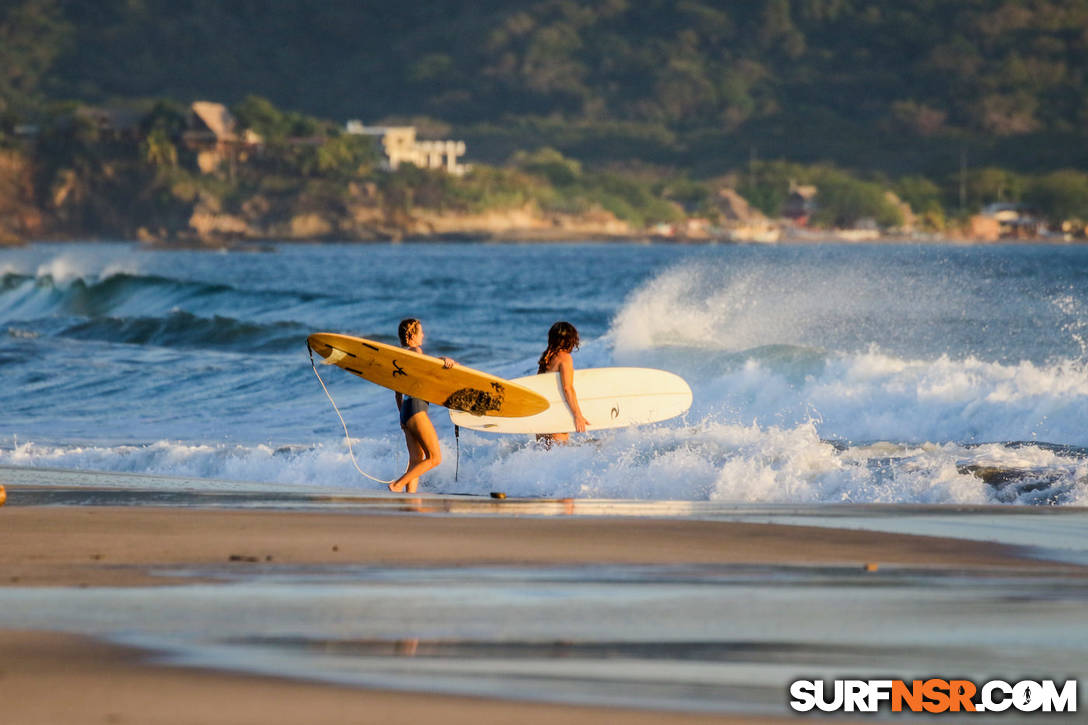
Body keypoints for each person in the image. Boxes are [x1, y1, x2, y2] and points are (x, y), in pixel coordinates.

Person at [390, 318, 454, 493]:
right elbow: (427, 372)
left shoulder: (400, 359)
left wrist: (402, 416)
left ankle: (409, 497)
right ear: (412, 335)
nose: (423, 334)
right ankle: (397, 485)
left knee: (416, 460)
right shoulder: (416, 351)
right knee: (435, 458)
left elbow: (397, 391)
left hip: (405, 410)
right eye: (421, 331)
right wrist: (443, 362)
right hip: (416, 409)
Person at [537, 321, 589, 446]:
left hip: (543, 420)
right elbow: (567, 388)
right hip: (556, 421)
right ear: (569, 340)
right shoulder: (564, 358)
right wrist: (578, 416)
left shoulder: (547, 357)